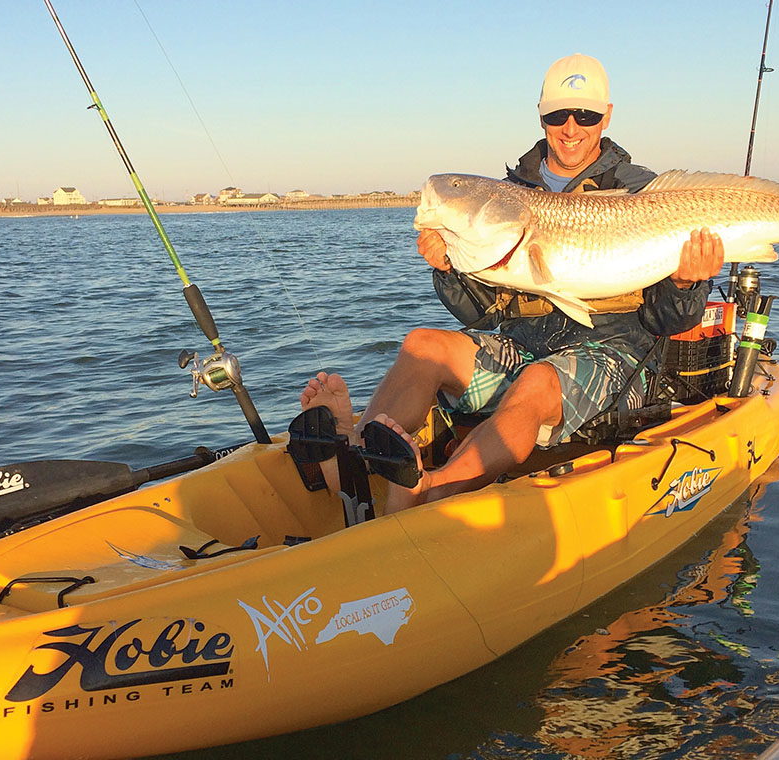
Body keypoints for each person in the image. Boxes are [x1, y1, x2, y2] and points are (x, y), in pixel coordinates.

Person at [300, 53, 724, 512]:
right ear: (541, 116)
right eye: (558, 114)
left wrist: (685, 283)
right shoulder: (509, 191)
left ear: (607, 116)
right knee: (424, 344)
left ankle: (430, 491)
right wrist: (447, 268)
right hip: (522, 343)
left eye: (585, 114)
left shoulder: (645, 191)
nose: (571, 127)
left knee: (539, 382)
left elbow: (669, 321)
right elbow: (481, 313)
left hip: (617, 354)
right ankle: (353, 458)